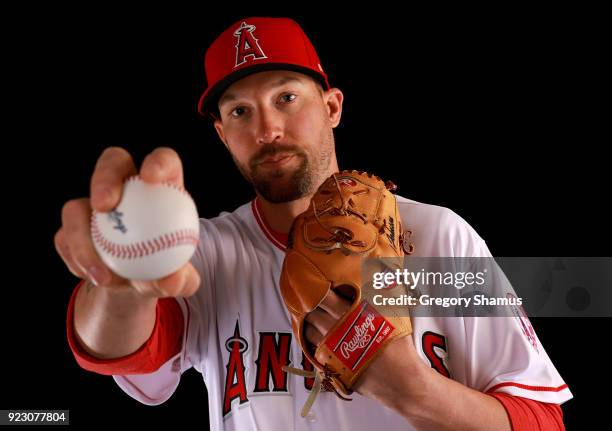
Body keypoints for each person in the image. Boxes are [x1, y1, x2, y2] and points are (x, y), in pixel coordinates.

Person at [55, 17, 572, 430]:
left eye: (285, 98)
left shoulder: (441, 237)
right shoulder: (204, 253)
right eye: (239, 112)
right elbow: (125, 350)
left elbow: (542, 421)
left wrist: (414, 393)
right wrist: (119, 285)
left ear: (332, 107)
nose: (267, 129)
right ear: (221, 134)